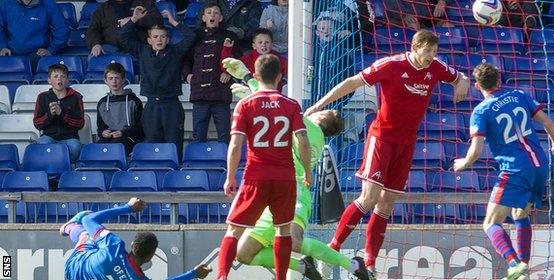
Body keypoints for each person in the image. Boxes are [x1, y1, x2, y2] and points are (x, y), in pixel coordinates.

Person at [305, 29, 470, 277]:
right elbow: (352, 82)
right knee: (369, 197)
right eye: (427, 52)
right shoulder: (391, 65)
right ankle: (332, 249)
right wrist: (319, 105)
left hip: (406, 143)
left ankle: (370, 263)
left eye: (435, 53)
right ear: (415, 48)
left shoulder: (436, 67)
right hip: (382, 138)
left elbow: (460, 77)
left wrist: (462, 81)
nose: (431, 58)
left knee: (387, 203)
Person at [221, 57, 370, 280]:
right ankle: (302, 268)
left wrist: (249, 82)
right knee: (243, 254)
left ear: (322, 118)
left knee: (294, 240)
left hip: (294, 190)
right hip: (276, 186)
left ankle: (351, 265)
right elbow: (272, 106)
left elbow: (272, 102)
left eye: (323, 111)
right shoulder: (308, 129)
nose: (317, 110)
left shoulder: (309, 128)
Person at [452, 63, 554, 280]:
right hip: (539, 165)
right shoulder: (519, 95)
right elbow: (547, 121)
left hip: (515, 169)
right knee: (519, 214)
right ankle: (523, 268)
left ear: (477, 86)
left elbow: (476, 151)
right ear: (499, 81)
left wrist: (464, 163)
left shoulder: (481, 111)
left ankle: (514, 263)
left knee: (490, 222)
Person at [216, 54, 312, 280]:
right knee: (283, 230)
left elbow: (236, 144)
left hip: (256, 176)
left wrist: (230, 176)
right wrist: (307, 171)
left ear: (256, 76)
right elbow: (303, 140)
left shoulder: (245, 104)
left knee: (234, 230)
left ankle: (221, 277)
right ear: (280, 77)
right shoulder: (291, 105)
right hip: (285, 177)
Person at [61, 197, 212, 279]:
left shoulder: (113, 246)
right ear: (150, 258)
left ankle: (69, 227)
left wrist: (128, 208)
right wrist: (193, 274)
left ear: (133, 245)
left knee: (87, 233)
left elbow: (89, 221)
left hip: (75, 266)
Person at [120, 7, 196, 158]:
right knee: (153, 147)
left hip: (172, 105)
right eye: (155, 37)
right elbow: (123, 37)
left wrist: (174, 22)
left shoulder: (175, 51)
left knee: (174, 147)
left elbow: (191, 36)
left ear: (168, 39)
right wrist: (134, 19)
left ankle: (175, 178)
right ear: (149, 40)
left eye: (162, 37)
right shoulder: (142, 51)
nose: (159, 40)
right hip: (151, 106)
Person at [182, 2, 239, 143]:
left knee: (225, 135)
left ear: (220, 17)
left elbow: (238, 59)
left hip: (220, 93)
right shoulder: (194, 36)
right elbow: (185, 60)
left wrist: (229, 73)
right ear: (203, 17)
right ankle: (198, 164)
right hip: (199, 93)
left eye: (216, 12)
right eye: (209, 12)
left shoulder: (230, 36)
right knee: (198, 135)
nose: (212, 15)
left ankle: (225, 164)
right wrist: (187, 75)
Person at [33, 64, 85, 162]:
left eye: (63, 76)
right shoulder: (42, 97)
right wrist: (50, 114)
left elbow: (80, 123)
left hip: (70, 137)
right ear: (49, 80)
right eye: (56, 76)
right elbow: (37, 123)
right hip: (49, 136)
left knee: (75, 146)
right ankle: (48, 171)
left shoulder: (76, 97)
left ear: (67, 80)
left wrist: (62, 114)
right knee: (41, 144)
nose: (59, 79)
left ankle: (69, 170)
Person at [96, 62, 144, 155]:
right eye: (110, 78)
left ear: (123, 80)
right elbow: (100, 127)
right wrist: (103, 133)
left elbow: (140, 128)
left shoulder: (134, 101)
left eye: (117, 78)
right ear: (105, 80)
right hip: (108, 138)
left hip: (128, 137)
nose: (114, 81)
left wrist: (124, 133)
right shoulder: (102, 103)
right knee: (98, 148)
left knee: (116, 146)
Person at [87, 0, 162, 58]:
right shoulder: (103, 8)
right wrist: (95, 44)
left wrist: (134, 20)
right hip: (111, 47)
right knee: (94, 57)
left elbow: (157, 20)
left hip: (137, 47)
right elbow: (93, 29)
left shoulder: (144, 2)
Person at [0, 0, 69, 60]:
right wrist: (3, 46)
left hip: (37, 55)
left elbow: (62, 29)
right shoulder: (5, 3)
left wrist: (51, 50)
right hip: (10, 52)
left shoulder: (48, 3)